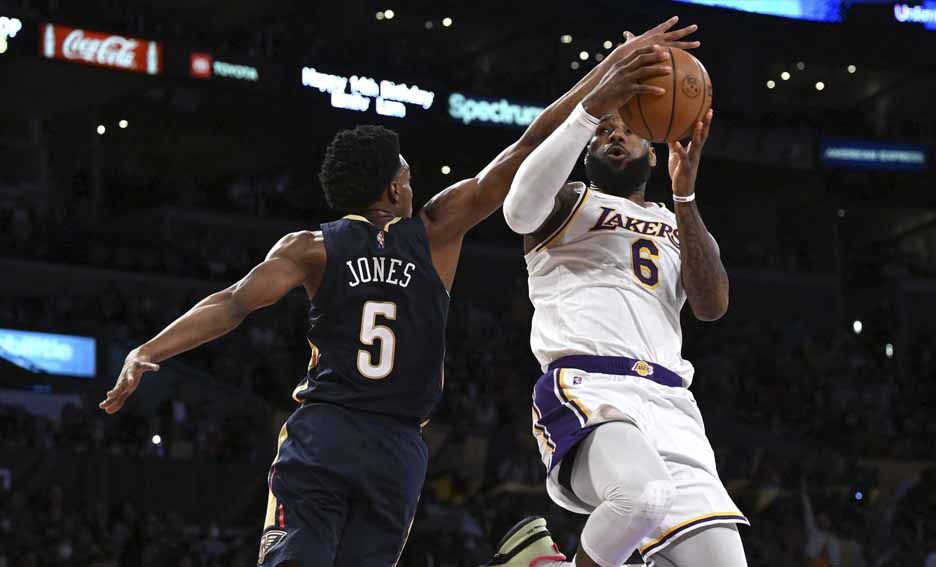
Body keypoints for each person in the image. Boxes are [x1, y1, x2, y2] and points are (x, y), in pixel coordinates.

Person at [98, 18, 698, 567]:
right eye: (407, 171)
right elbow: (522, 150)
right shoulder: (436, 231)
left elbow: (229, 303)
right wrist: (603, 80)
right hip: (395, 444)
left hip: (326, 433)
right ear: (391, 189)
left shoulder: (309, 247)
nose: (414, 176)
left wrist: (149, 350)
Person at [488, 40, 747, 567]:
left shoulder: (678, 222)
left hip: (673, 403)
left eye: (627, 129)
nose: (615, 135)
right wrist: (591, 108)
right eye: (606, 131)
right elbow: (516, 210)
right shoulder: (567, 202)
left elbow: (712, 304)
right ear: (587, 149)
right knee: (642, 497)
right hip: (591, 384)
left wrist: (686, 195)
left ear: (653, 149)